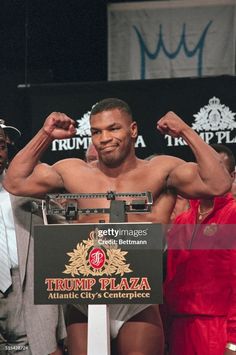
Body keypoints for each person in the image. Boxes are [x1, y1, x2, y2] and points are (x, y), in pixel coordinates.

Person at [3, 98, 231, 355]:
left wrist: (187, 132)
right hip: (84, 299)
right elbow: (16, 181)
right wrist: (45, 134)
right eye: (96, 131)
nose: (104, 138)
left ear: (132, 130)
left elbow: (218, 184)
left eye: (113, 129)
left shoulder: (161, 170)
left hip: (137, 300)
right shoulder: (74, 172)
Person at [0, 122, 66, 354]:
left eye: (1, 145)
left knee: (44, 348)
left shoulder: (29, 187)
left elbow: (66, 230)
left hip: (28, 283)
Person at [163, 144, 236, 355]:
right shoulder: (181, 221)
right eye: (204, 170)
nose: (210, 176)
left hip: (218, 329)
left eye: (218, 170)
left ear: (231, 176)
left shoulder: (233, 215)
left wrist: (233, 340)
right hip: (179, 328)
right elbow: (170, 281)